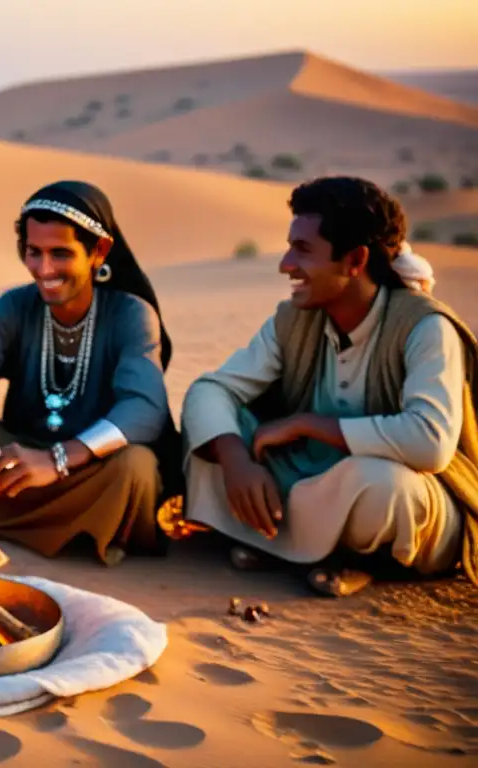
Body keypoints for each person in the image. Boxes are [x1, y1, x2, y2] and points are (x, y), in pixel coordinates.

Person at [180, 176, 478, 596]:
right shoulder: (294, 319)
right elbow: (211, 390)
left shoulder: (425, 327)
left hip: (412, 495)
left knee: (381, 488)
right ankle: (292, 541)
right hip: (306, 479)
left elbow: (430, 442)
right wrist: (236, 462)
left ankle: (338, 554)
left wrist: (308, 424)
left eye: (302, 250)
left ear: (355, 260)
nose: (286, 264)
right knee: (211, 438)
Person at [0, 180, 183, 565]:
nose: (44, 269)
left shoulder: (131, 314)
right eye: (34, 252)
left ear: (99, 251)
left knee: (136, 468)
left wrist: (58, 460)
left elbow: (145, 409)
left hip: (87, 469)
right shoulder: (14, 307)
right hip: (15, 464)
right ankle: (39, 523)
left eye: (60, 254)